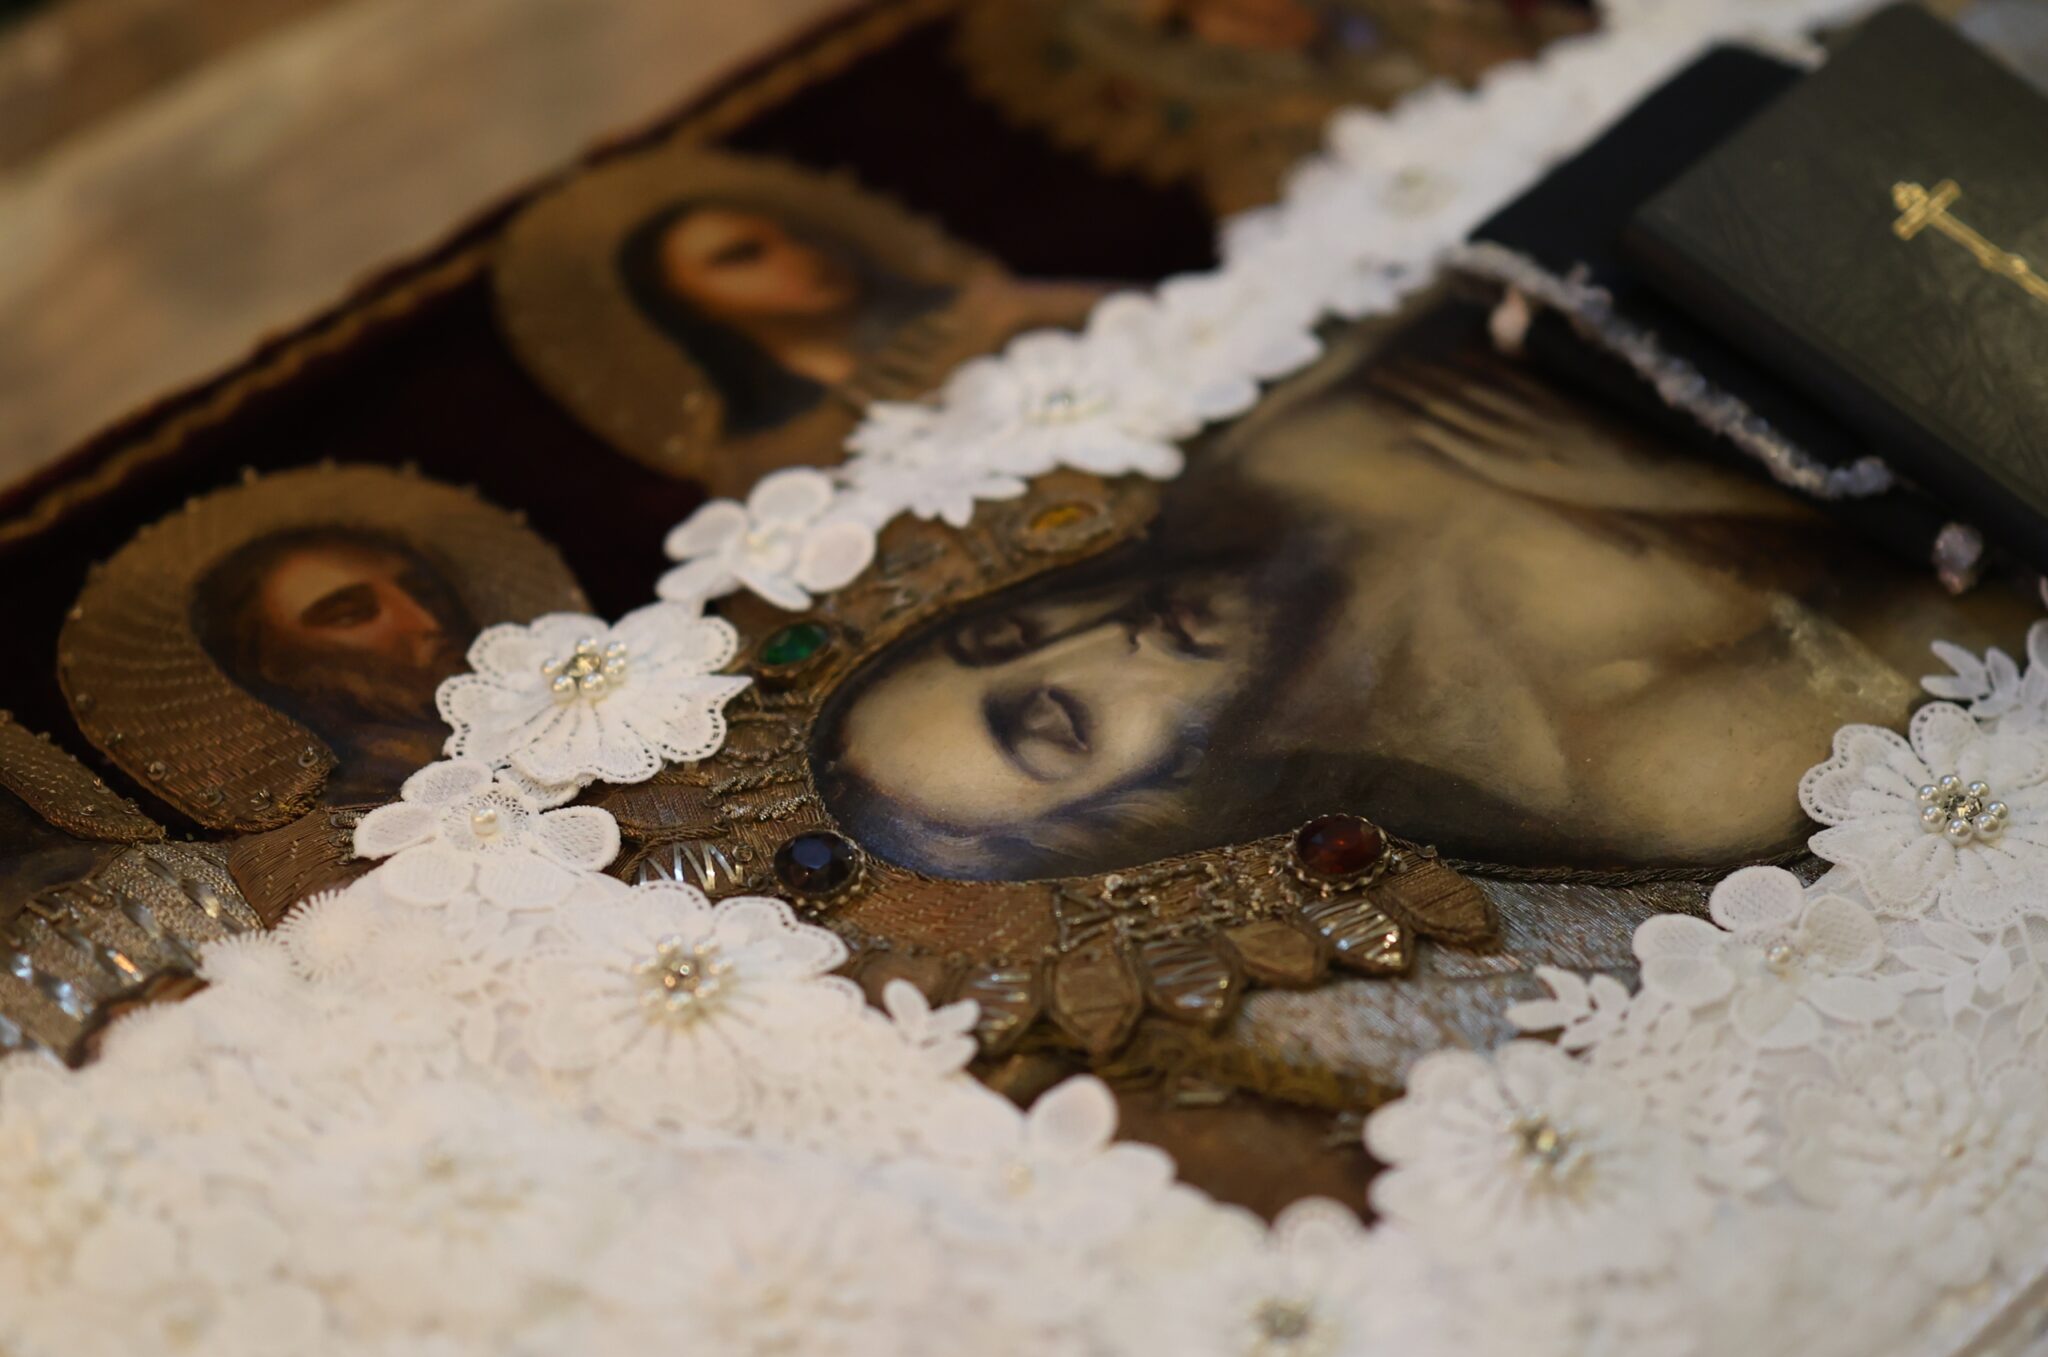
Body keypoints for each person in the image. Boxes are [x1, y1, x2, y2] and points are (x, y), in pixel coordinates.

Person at [814, 308, 2036, 880]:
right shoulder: (1637, 777)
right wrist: (1663, 492)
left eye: (1008, 630)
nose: (1099, 634)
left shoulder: (1284, 457)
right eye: (1055, 718)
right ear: (1144, 812)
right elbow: (1986, 621)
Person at [618, 200, 956, 438]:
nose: (797, 256)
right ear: (686, 304)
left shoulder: (952, 317)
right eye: (742, 255)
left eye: (797, 235)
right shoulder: (765, 438)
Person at [193, 528, 474, 805]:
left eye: (423, 593)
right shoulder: (361, 794)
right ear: (277, 665)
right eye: (350, 614)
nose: (426, 622)